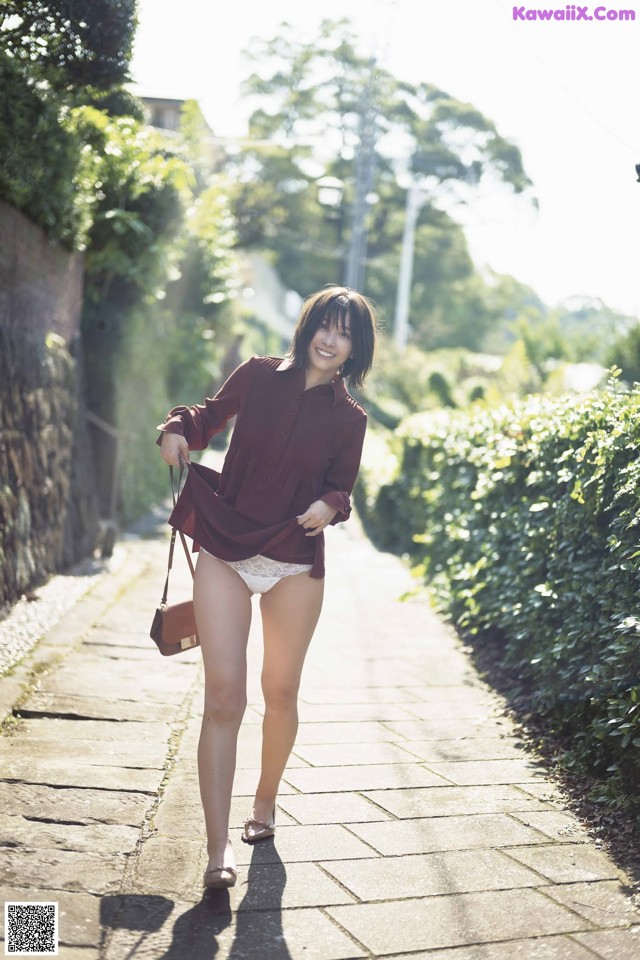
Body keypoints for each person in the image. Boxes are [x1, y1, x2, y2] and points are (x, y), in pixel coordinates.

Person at [157, 286, 378, 890]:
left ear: (356, 347)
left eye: (345, 333)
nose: (331, 340)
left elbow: (343, 488)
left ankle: (264, 803)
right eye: (324, 326)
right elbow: (205, 416)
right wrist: (176, 427)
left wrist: (328, 506)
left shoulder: (350, 418)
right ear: (308, 326)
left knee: (280, 692)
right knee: (224, 698)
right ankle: (216, 847)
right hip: (226, 546)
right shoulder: (257, 375)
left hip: (291, 559)